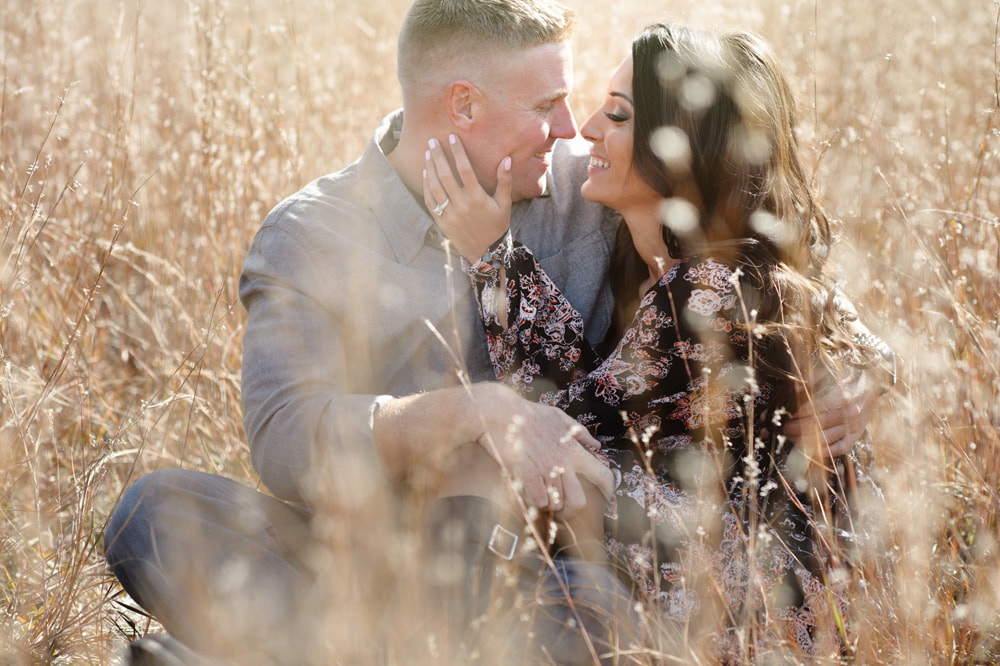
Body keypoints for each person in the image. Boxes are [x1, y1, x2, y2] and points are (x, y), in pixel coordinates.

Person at [103, 1, 886, 663]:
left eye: (588, 108)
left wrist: (856, 372)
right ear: (464, 104)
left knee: (572, 607)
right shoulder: (310, 235)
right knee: (153, 512)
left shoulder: (591, 186)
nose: (573, 128)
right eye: (548, 105)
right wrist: (471, 412)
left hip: (550, 572)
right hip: (377, 556)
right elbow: (284, 439)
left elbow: (753, 247)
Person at [423, 22, 894, 660]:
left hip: (765, 614)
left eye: (617, 116)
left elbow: (558, 426)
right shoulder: (661, 267)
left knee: (511, 470)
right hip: (703, 575)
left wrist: (492, 257)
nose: (586, 126)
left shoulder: (713, 290)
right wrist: (878, 369)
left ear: (683, 147)